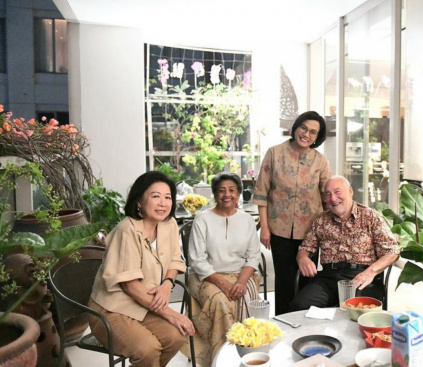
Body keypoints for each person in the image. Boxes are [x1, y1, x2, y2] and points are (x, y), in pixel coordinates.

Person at [89, 171, 194, 367]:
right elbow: (130, 286)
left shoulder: (169, 224)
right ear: (139, 201)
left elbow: (174, 261)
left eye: (168, 197)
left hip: (145, 303)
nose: (163, 203)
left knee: (177, 336)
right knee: (148, 349)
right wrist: (171, 313)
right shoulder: (126, 230)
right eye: (155, 196)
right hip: (112, 309)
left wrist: (166, 285)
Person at [252, 111, 331, 315]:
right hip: (279, 230)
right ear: (296, 127)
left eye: (313, 132)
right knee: (284, 282)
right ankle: (282, 325)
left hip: (311, 232)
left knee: (308, 282)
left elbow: (326, 197)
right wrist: (265, 229)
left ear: (318, 137)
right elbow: (262, 192)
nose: (306, 134)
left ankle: (304, 326)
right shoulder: (274, 153)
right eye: (304, 128)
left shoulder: (320, 161)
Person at [289, 176, 399, 311]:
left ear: (350, 191)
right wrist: (303, 258)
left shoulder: (371, 216)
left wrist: (370, 272)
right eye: (328, 194)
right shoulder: (321, 220)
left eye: (337, 192)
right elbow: (305, 247)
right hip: (328, 278)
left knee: (357, 311)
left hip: (360, 277)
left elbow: (392, 252)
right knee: (299, 306)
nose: (333, 198)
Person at [186, 172, 261, 366]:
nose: (227, 195)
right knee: (220, 301)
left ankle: (250, 350)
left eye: (232, 190)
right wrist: (223, 283)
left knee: (249, 298)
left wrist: (241, 281)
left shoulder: (247, 220)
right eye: (221, 191)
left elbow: (253, 256)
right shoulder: (203, 219)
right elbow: (196, 259)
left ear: (238, 193)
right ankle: (224, 357)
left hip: (241, 274)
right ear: (214, 194)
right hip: (206, 275)